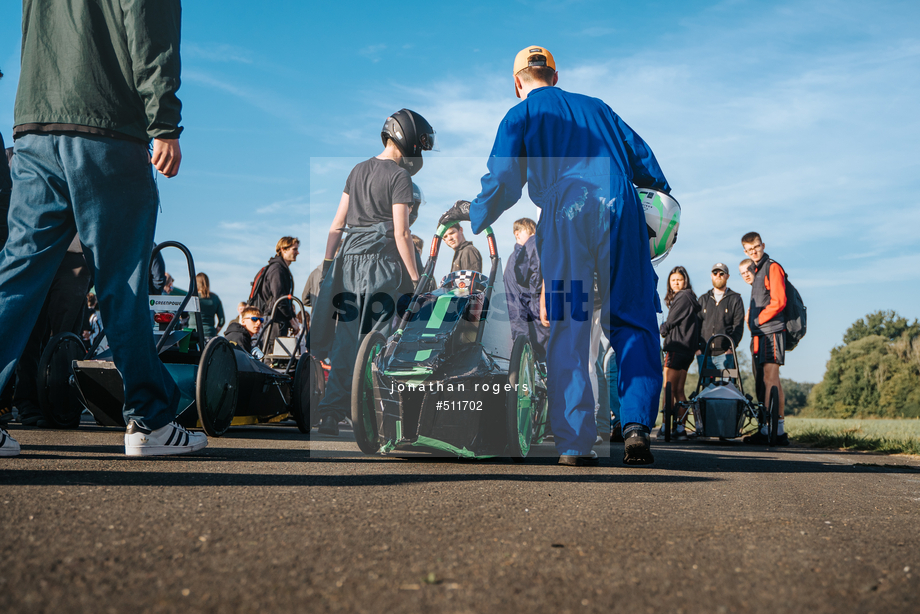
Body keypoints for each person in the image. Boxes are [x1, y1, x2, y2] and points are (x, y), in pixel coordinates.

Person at [439, 45, 670, 466]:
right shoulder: (597, 107)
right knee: (633, 316)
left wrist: (473, 211)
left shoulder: (520, 116)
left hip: (567, 214)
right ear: (555, 76)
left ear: (517, 83)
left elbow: (503, 182)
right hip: (620, 204)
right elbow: (645, 162)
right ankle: (636, 427)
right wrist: (659, 196)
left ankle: (575, 444)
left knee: (569, 323)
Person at [0, 0, 206, 458]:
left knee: (16, 276)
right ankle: (149, 420)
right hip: (105, 127)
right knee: (123, 280)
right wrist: (165, 123)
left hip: (35, 125)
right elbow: (150, 31)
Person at [312, 109, 435, 436]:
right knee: (377, 340)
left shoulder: (357, 170)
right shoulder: (399, 177)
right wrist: (414, 277)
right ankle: (368, 412)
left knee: (346, 337)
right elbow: (402, 233)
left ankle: (330, 412)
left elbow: (337, 224)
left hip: (348, 260)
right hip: (381, 263)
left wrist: (328, 266)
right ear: (407, 137)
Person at [741, 232, 789, 446]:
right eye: (750, 250)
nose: (754, 252)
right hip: (760, 334)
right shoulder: (757, 271)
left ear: (763, 245)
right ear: (745, 251)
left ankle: (775, 429)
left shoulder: (772, 267)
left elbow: (779, 301)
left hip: (771, 331)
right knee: (764, 381)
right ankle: (768, 428)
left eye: (757, 247)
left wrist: (758, 319)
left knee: (771, 379)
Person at [658, 266, 701, 440]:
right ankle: (680, 428)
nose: (676, 283)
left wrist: (663, 328)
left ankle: (664, 427)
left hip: (676, 347)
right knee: (678, 390)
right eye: (673, 280)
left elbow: (670, 322)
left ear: (685, 281)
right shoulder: (691, 298)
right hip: (687, 350)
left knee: (667, 388)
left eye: (679, 280)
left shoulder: (682, 297)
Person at [696, 262, 745, 381]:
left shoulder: (735, 299)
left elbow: (738, 327)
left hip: (726, 354)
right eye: (715, 272)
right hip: (704, 354)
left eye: (722, 273)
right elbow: (696, 326)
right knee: (706, 392)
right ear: (711, 275)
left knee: (728, 392)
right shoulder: (703, 299)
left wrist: (730, 348)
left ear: (727, 276)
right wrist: (697, 350)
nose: (718, 275)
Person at [253, 237, 301, 358]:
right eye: (294, 249)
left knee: (277, 355)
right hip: (274, 320)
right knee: (272, 356)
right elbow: (279, 299)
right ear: (283, 250)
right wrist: (291, 319)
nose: (297, 253)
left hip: (278, 320)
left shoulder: (281, 269)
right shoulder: (277, 269)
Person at [738, 258, 764, 404]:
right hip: (755, 340)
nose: (746, 275)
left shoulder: (761, 289)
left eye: (748, 270)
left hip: (764, 340)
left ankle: (768, 420)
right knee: (758, 380)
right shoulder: (753, 291)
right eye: (742, 273)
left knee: (765, 379)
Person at [189, 273, 225, 341]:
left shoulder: (191, 297)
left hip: (192, 333)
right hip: (209, 333)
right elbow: (222, 320)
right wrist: (215, 331)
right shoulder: (215, 298)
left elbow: (184, 314)